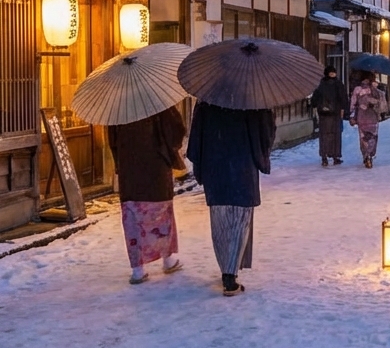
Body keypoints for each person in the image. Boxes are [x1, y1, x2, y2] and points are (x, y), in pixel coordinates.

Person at [186, 101, 275, 296]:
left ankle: (226, 268)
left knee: (219, 223)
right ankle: (230, 275)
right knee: (240, 223)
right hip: (243, 168)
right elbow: (265, 136)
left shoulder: (205, 104)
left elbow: (195, 143)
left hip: (214, 167)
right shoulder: (252, 103)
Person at [108, 106, 186, 285]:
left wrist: (120, 161)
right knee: (161, 215)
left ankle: (137, 269)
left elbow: (112, 141)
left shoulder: (118, 107)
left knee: (133, 218)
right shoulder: (156, 100)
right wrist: (169, 149)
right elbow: (177, 129)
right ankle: (168, 259)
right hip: (156, 167)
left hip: (130, 169)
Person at [310, 65, 347, 166]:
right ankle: (335, 157)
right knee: (335, 135)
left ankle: (324, 157)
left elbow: (314, 99)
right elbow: (343, 98)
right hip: (335, 113)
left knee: (324, 135)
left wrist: (314, 106)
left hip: (323, 114)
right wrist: (344, 110)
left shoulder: (320, 84)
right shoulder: (338, 84)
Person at [350, 72, 385, 168]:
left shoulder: (358, 89)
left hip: (361, 116)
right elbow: (380, 102)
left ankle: (366, 155)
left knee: (363, 137)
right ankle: (370, 154)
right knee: (372, 136)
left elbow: (353, 103)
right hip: (372, 116)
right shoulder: (374, 89)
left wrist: (352, 115)